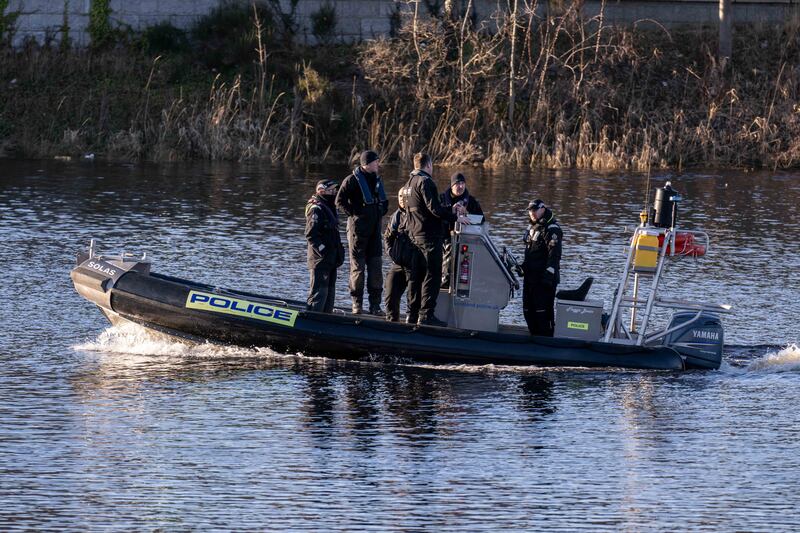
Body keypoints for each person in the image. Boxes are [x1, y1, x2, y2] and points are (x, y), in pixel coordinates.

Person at [404, 153, 470, 326]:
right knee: (433, 275)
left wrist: (448, 209)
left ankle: (411, 314)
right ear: (428, 165)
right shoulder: (426, 182)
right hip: (429, 237)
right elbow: (434, 209)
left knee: (415, 277)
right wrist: (455, 217)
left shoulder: (408, 184)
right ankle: (426, 315)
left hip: (414, 236)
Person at [335, 150, 389, 315]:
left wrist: (381, 211)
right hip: (358, 230)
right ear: (367, 164)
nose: (378, 164)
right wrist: (354, 213)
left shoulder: (377, 180)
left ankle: (375, 305)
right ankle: (356, 304)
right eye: (375, 162)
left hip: (374, 230)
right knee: (358, 268)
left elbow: (385, 202)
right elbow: (339, 201)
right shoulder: (352, 180)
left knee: (376, 267)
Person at [522, 198, 563, 336]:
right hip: (530, 279)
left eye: (535, 210)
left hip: (543, 281)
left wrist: (548, 277)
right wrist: (522, 268)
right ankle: (534, 338)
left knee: (542, 313)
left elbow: (554, 256)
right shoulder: (532, 228)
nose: (532, 213)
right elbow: (531, 254)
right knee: (528, 310)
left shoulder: (552, 229)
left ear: (543, 209)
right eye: (530, 211)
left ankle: (546, 338)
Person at [305, 179, 345, 312]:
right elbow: (311, 235)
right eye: (331, 191)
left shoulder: (330, 208)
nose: (334, 193)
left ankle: (327, 319)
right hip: (320, 260)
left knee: (329, 294)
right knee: (319, 294)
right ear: (321, 191)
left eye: (335, 191)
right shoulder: (316, 209)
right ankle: (313, 320)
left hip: (331, 259)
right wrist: (323, 251)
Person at [439, 172, 484, 288]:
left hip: (465, 241)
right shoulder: (442, 199)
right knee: (445, 271)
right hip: (445, 240)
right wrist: (451, 212)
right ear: (452, 185)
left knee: (462, 273)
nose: (461, 186)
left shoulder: (471, 201)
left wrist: (467, 213)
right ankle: (443, 289)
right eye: (458, 184)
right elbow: (436, 216)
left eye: (463, 183)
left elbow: (482, 219)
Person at [383, 188, 419, 323]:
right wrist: (392, 253)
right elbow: (387, 237)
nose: (402, 199)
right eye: (399, 196)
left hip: (414, 263)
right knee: (390, 294)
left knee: (413, 297)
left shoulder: (417, 216)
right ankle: (392, 321)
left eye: (404, 196)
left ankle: (411, 322)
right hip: (398, 262)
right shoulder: (396, 216)